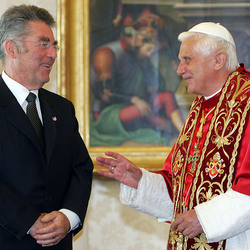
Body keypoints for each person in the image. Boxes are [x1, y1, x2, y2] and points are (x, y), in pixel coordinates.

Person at [97, 22, 250, 249]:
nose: (179, 70)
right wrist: (140, 180)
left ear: (218, 60)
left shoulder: (245, 102)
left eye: (187, 60)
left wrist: (205, 218)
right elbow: (180, 189)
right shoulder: (201, 106)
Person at [0, 5, 93, 250]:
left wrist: (68, 217)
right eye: (44, 44)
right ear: (12, 49)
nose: (52, 54)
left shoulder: (62, 109)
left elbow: (81, 168)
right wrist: (29, 221)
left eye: (54, 46)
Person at [90, 7, 184, 146]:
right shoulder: (106, 53)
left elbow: (157, 88)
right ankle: (170, 131)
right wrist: (134, 99)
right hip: (109, 114)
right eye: (145, 38)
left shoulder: (141, 56)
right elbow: (105, 94)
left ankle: (183, 134)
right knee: (152, 116)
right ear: (130, 34)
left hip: (140, 107)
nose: (150, 44)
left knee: (167, 96)